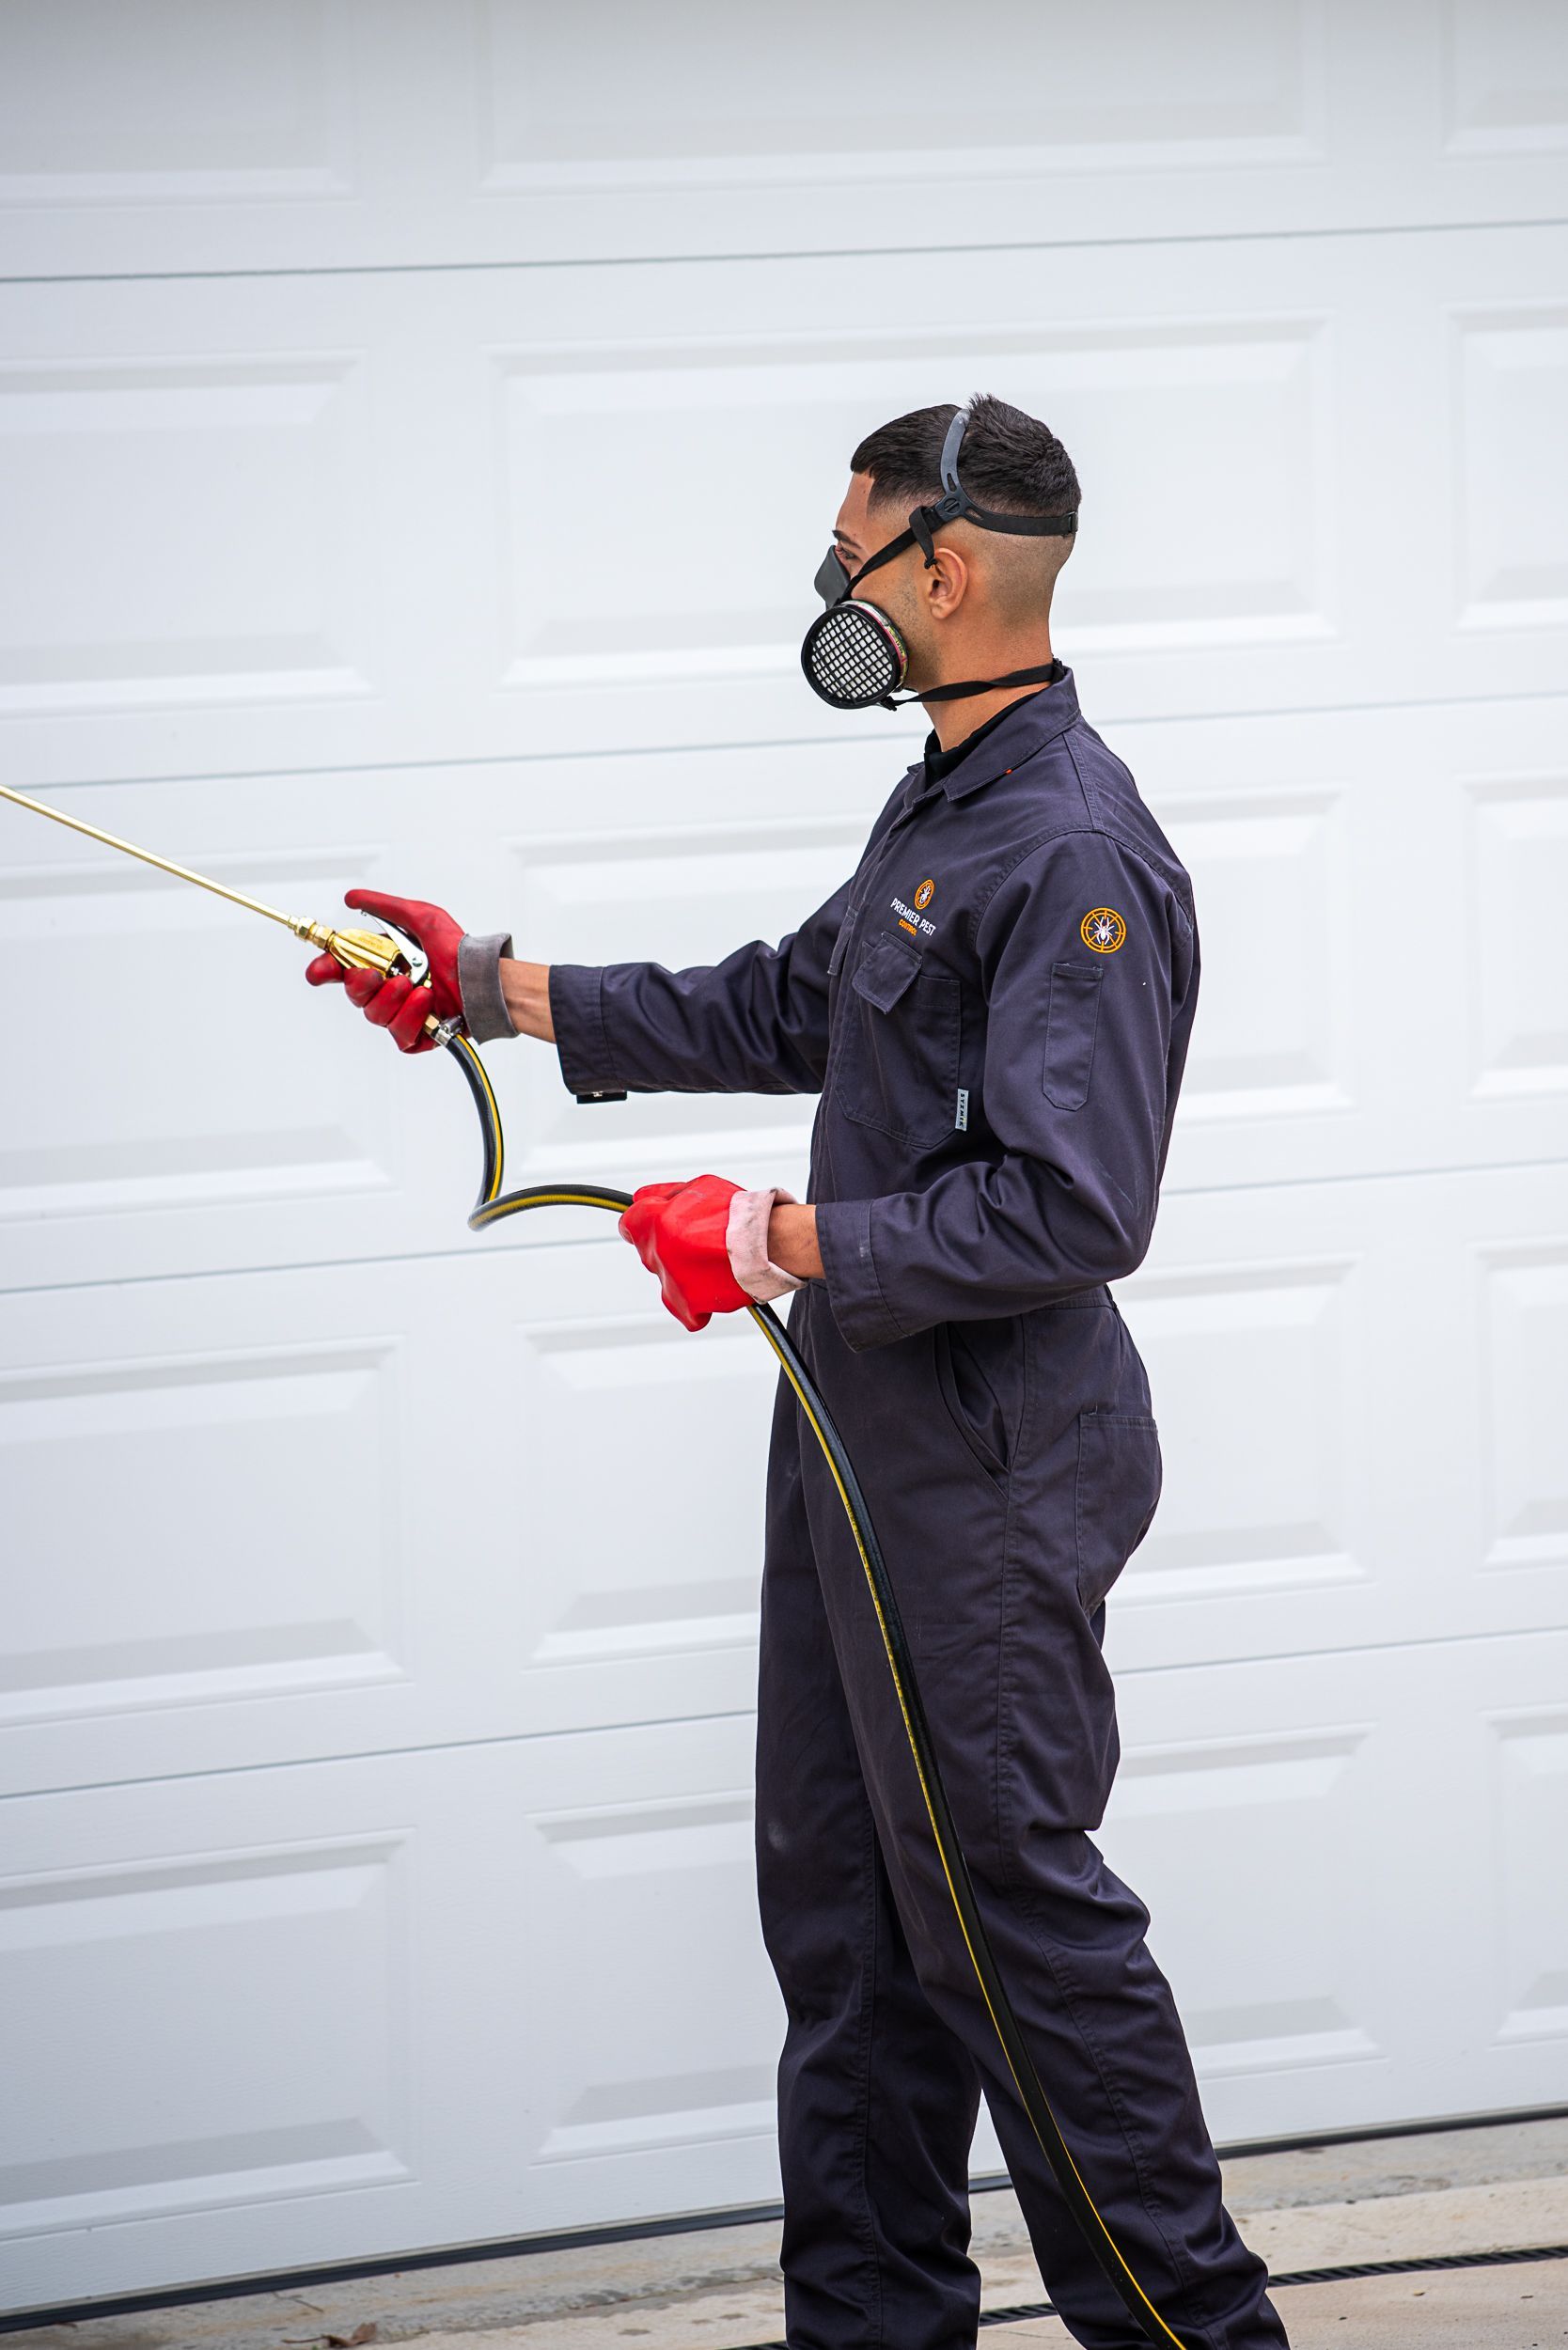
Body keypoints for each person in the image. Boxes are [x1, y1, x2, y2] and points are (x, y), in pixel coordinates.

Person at [308, 396, 1287, 2350]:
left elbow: (1070, 1209)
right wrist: (488, 989)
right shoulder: (945, 795)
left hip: (990, 1462)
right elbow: (795, 1000)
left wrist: (777, 1237)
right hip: (858, 1430)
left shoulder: (1073, 841)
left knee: (1011, 1928)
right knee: (849, 1928)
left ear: (945, 565)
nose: (825, 584)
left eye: (849, 548)